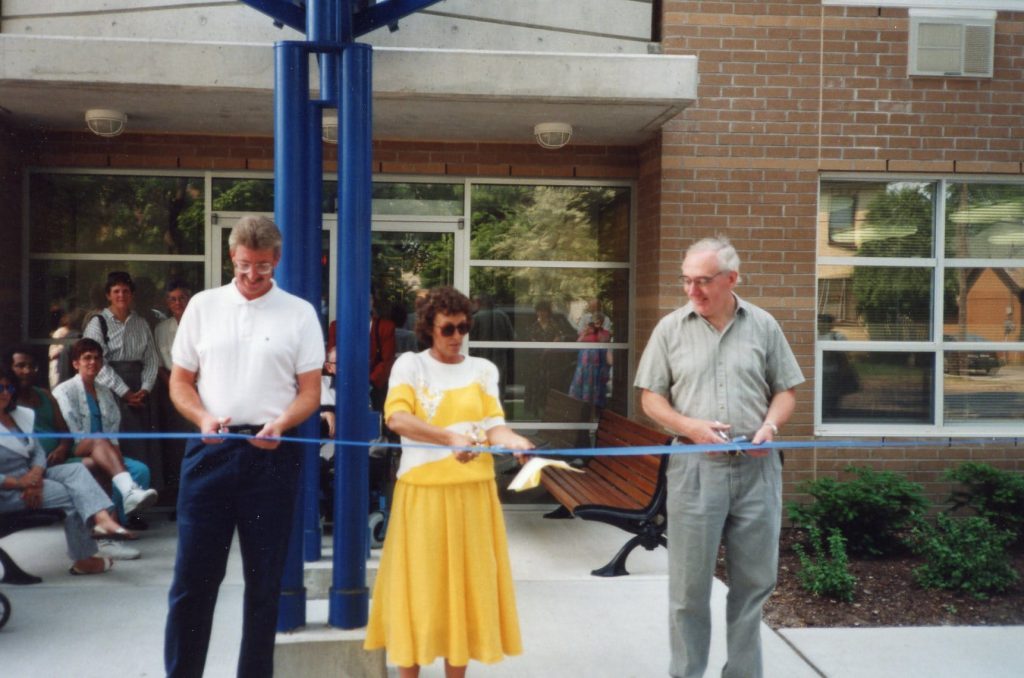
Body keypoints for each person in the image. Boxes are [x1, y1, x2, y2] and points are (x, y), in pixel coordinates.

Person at [634, 236, 804, 678]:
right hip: (694, 470)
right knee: (689, 592)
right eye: (687, 281)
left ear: (732, 279)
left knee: (752, 586)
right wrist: (691, 428)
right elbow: (651, 399)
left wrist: (770, 427)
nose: (693, 291)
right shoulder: (670, 328)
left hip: (757, 471)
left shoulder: (764, 325)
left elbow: (785, 391)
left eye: (703, 281)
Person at [163, 215, 323, 678]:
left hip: (272, 456)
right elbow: (180, 383)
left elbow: (309, 392)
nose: (252, 276)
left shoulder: (298, 313)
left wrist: (282, 423)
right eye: (243, 266)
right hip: (210, 452)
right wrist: (202, 417)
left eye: (262, 267)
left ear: (277, 260)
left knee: (264, 585)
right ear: (231, 258)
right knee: (192, 582)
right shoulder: (202, 306)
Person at [365, 286, 532, 678]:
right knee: (421, 592)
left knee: (463, 592)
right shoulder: (410, 365)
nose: (457, 337)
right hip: (422, 493)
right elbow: (397, 419)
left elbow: (494, 426)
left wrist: (517, 442)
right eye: (448, 329)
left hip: (472, 494)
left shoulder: (483, 371)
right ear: (429, 329)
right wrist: (451, 438)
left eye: (463, 328)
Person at [0, 364, 134, 575]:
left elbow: (36, 451)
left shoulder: (18, 416)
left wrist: (34, 475)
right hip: (8, 491)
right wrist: (21, 483)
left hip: (32, 476)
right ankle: (84, 559)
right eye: (0, 388)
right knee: (73, 495)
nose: (5, 393)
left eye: (9, 388)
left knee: (77, 471)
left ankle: (103, 520)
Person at [52, 339, 158, 525]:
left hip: (104, 449)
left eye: (97, 358)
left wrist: (115, 453)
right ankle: (118, 509)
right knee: (100, 449)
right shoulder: (64, 390)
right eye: (87, 358)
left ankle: (120, 520)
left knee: (140, 470)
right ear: (76, 363)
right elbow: (74, 433)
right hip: (75, 449)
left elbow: (112, 430)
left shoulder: (105, 391)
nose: (93, 362)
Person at [82, 271, 161, 484]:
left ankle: (141, 497)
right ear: (108, 295)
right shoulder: (98, 323)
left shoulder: (141, 323)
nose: (121, 295)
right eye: (116, 291)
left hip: (140, 393)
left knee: (141, 445)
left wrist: (145, 388)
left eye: (126, 291)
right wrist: (124, 392)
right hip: (113, 391)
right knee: (119, 445)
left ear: (132, 294)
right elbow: (97, 364)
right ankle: (122, 499)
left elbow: (151, 359)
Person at [154, 280, 192, 509]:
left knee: (193, 442)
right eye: (173, 299)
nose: (178, 303)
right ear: (167, 303)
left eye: (182, 298)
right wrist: (173, 387)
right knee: (175, 446)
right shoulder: (161, 329)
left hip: (196, 387)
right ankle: (177, 499)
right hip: (171, 387)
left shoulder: (199, 324)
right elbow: (158, 364)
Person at [568, 310, 613, 408]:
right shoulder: (587, 332)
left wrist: (597, 331)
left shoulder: (604, 333)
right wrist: (586, 332)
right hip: (584, 367)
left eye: (599, 322)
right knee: (582, 390)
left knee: (597, 390)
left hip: (598, 366)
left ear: (602, 322)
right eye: (594, 321)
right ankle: (583, 410)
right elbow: (578, 343)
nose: (596, 324)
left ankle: (595, 411)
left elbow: (604, 342)